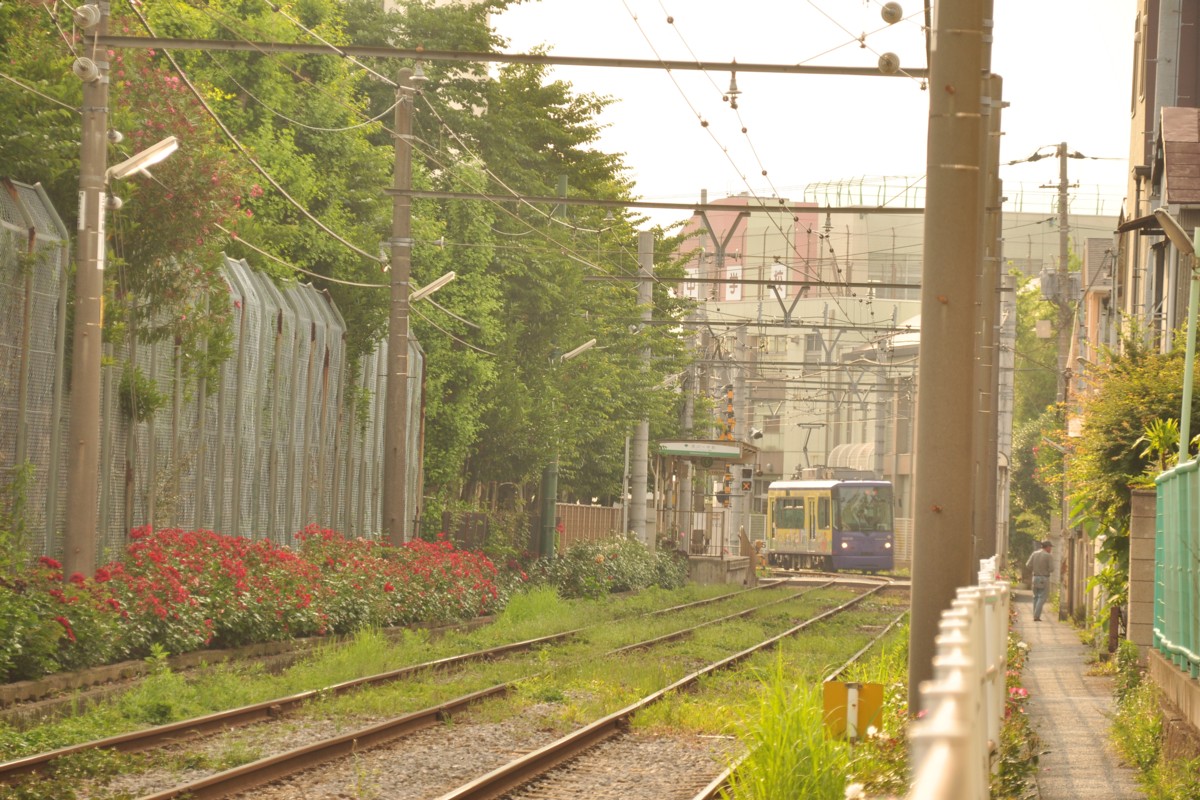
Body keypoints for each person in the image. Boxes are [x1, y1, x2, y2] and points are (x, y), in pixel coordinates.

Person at [1026, 540, 1054, 621]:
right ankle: (1036, 615)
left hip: (1035, 577)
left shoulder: (1034, 554)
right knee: (1042, 597)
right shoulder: (1048, 556)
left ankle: (1035, 615)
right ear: (1047, 547)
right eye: (1050, 547)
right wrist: (1045, 569)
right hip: (1044, 578)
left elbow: (1028, 565)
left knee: (1035, 597)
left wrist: (1035, 569)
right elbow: (1051, 569)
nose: (1051, 549)